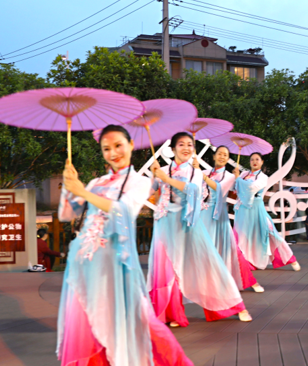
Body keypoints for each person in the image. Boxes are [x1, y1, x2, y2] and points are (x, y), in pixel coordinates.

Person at [57, 125, 192, 365]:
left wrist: (82, 192)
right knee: (87, 322)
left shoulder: (138, 182)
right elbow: (67, 214)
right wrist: (70, 188)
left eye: (118, 145)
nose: (113, 152)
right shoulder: (95, 182)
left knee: (138, 320)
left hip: (118, 262)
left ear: (130, 145)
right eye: (106, 148)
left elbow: (124, 210)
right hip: (85, 262)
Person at [148, 132, 251, 327]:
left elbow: (192, 190)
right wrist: (153, 179)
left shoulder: (195, 172)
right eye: (181, 144)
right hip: (164, 225)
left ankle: (236, 306)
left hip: (188, 224)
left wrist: (165, 178)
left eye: (190, 145)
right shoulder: (160, 169)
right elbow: (150, 190)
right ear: (172, 149)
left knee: (209, 263)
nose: (186, 148)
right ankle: (173, 313)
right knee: (166, 268)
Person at [198, 146, 263, 293]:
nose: (222, 156)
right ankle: (207, 281)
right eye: (219, 154)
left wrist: (237, 178)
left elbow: (218, 188)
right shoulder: (203, 172)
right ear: (214, 156)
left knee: (230, 249)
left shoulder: (229, 176)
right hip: (202, 214)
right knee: (202, 249)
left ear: (228, 159)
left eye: (225, 155)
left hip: (218, 215)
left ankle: (249, 281)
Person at [234, 152, 301, 271]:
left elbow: (252, 188)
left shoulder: (263, 177)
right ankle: (247, 263)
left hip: (256, 208)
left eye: (257, 159)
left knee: (270, 231)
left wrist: (238, 180)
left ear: (262, 162)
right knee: (243, 236)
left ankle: (290, 258)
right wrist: (236, 178)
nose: (254, 162)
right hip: (243, 209)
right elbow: (236, 189)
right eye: (252, 159)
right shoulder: (244, 174)